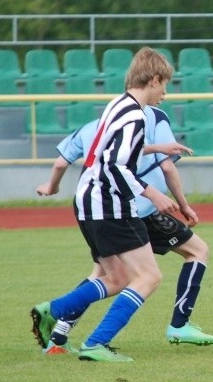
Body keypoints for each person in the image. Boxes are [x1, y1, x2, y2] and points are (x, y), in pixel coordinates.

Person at [30, 47, 178, 362]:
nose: (165, 92)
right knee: (149, 276)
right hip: (110, 204)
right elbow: (115, 164)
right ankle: (93, 341)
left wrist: (154, 147)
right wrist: (153, 193)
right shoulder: (135, 115)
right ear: (153, 79)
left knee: (116, 278)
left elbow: (111, 152)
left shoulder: (117, 105)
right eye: (165, 84)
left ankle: (51, 311)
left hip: (87, 199)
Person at [34, 104, 213, 355]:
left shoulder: (94, 127)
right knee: (195, 252)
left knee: (105, 275)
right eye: (162, 85)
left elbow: (60, 163)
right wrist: (183, 205)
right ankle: (178, 324)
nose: (163, 93)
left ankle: (57, 335)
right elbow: (166, 166)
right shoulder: (153, 116)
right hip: (137, 207)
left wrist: (51, 186)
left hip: (94, 207)